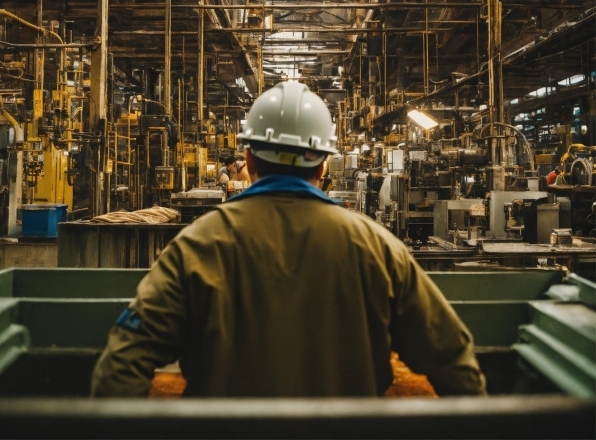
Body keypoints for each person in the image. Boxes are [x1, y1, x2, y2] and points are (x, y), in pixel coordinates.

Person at [91, 81, 486, 398]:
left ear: (247, 159)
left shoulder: (196, 245)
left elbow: (122, 364)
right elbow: (452, 356)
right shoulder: (378, 248)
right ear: (325, 162)